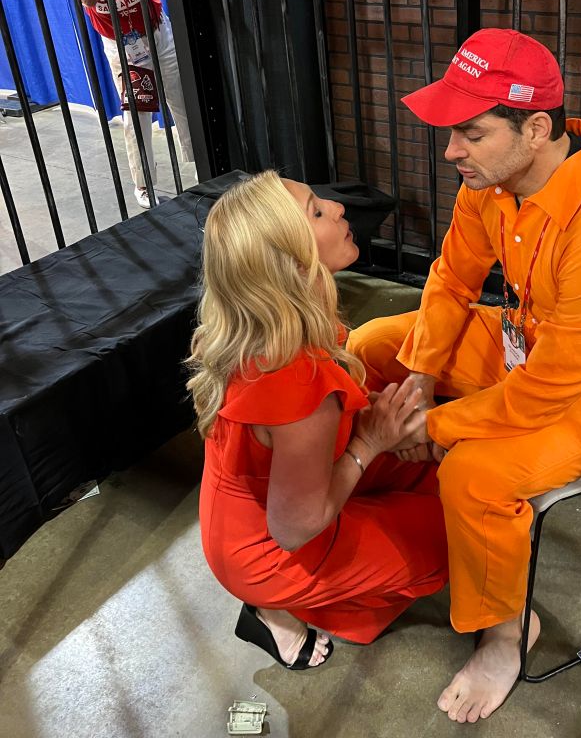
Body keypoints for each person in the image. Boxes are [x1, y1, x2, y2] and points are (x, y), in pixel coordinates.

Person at [347, 28, 581, 721]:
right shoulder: (494, 181)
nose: (451, 153)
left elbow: (549, 390)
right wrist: (416, 378)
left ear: (535, 128)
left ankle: (506, 635)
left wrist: (426, 423)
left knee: (474, 475)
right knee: (377, 341)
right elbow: (449, 278)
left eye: (470, 133)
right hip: (533, 346)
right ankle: (373, 482)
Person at [187, 170, 448, 669]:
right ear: (291, 262)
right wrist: (370, 443)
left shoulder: (261, 326)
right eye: (316, 211)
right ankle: (280, 610)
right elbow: (294, 527)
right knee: (452, 538)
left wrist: (391, 436)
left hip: (252, 510)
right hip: (273, 545)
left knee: (438, 472)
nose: (338, 208)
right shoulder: (297, 380)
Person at [59, 0, 194, 208]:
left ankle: (200, 162)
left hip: (157, 31)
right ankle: (144, 185)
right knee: (138, 116)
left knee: (183, 101)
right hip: (123, 47)